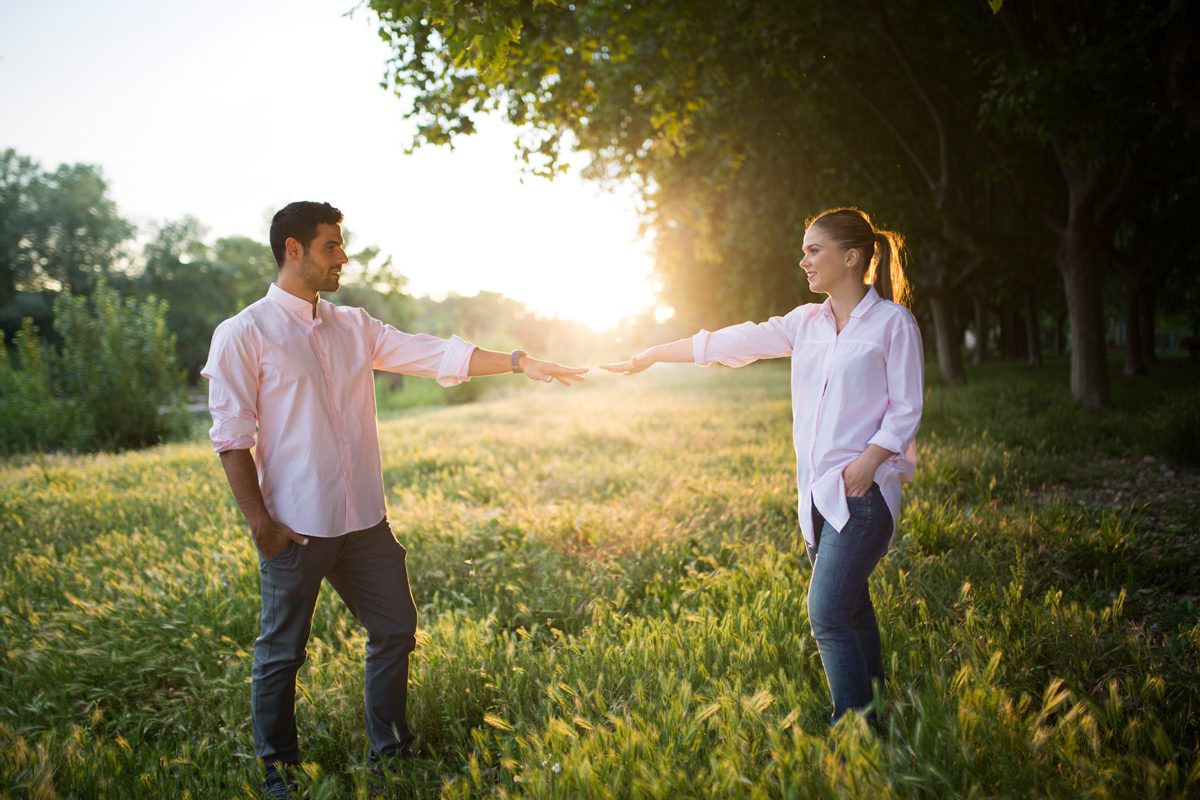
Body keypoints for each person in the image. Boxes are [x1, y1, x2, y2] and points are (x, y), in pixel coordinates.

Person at [201, 201, 587, 797]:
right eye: (331, 245)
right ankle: (277, 768)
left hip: (365, 523)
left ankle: (391, 752)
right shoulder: (243, 334)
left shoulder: (353, 325)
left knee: (396, 628)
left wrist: (517, 361)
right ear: (293, 250)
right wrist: (263, 528)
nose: (342, 257)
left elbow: (435, 354)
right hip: (297, 528)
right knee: (282, 653)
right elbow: (232, 439)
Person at [602, 207, 923, 727]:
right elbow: (732, 340)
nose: (804, 261)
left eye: (814, 250)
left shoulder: (893, 323)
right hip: (818, 495)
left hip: (864, 495)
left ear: (851, 256)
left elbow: (907, 409)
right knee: (854, 610)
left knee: (828, 613)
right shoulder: (805, 323)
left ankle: (856, 733)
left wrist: (866, 465)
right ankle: (879, 712)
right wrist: (655, 352)